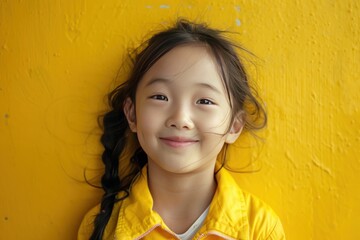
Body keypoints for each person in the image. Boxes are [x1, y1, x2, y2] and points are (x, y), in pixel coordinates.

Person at [78, 19, 285, 240]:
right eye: (160, 97)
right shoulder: (102, 226)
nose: (180, 119)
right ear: (132, 114)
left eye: (204, 101)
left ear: (234, 126)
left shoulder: (260, 227)